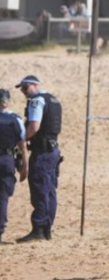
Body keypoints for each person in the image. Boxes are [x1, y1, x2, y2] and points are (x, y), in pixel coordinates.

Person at [15, 75, 62, 243]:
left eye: (26, 88)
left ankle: (39, 229)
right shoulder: (53, 100)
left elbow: (34, 126)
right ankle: (47, 228)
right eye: (22, 89)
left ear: (35, 85)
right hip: (53, 150)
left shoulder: (37, 101)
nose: (24, 92)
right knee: (49, 190)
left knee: (39, 189)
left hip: (42, 152)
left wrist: (20, 139)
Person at [0, 89, 27, 244]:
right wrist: (25, 167)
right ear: (8, 101)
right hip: (7, 159)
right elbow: (22, 145)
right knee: (3, 196)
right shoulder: (15, 119)